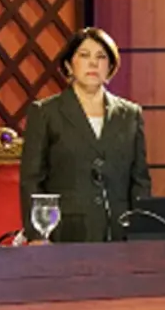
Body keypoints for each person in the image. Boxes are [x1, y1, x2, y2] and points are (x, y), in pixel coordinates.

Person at [17, 27, 151, 242]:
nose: (93, 63)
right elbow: (31, 180)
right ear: (69, 65)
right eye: (84, 55)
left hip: (119, 232)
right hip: (65, 232)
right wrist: (37, 234)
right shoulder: (45, 113)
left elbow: (140, 180)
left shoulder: (130, 114)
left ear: (110, 67)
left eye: (101, 57)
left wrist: (142, 233)